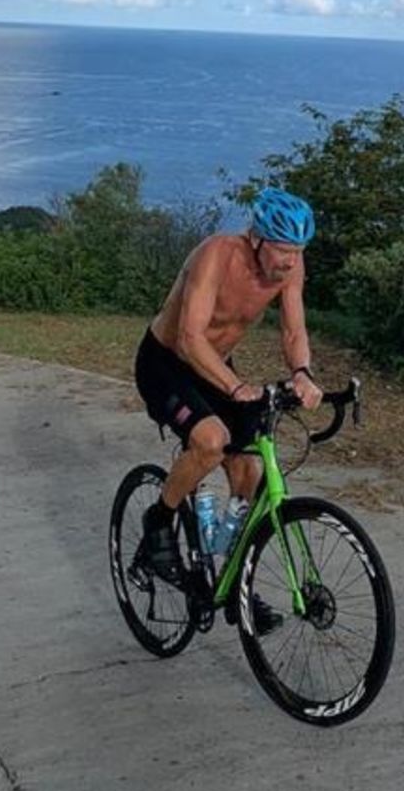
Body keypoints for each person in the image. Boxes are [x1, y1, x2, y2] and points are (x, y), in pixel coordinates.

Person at [132, 187, 324, 631]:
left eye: (298, 251)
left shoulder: (290, 267)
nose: (290, 261)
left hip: (215, 366)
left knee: (248, 471)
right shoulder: (216, 255)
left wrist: (302, 373)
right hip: (166, 362)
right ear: (256, 239)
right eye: (282, 250)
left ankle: (235, 581)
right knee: (211, 440)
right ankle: (158, 524)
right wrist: (235, 386)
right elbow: (189, 338)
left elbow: (293, 331)